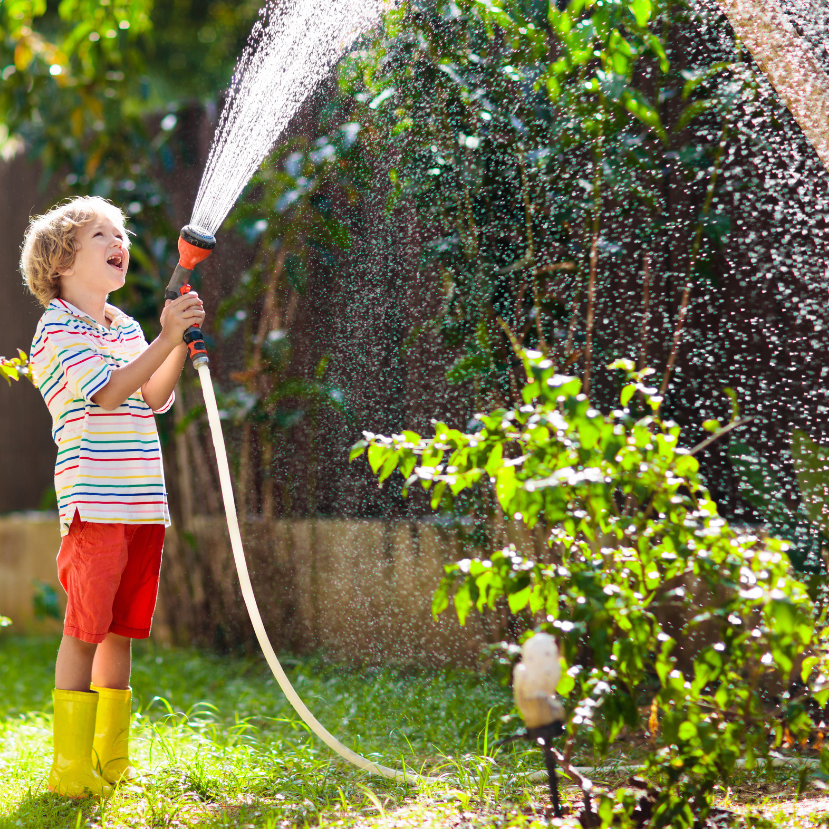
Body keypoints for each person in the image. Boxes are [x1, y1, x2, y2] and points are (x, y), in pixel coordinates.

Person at [20, 196, 205, 797]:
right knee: (84, 630)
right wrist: (166, 335)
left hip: (141, 502)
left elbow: (151, 395)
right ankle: (70, 770)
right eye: (102, 233)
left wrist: (175, 342)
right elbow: (106, 392)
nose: (117, 240)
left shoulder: (124, 327)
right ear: (61, 263)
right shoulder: (57, 326)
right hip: (95, 504)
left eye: (119, 232)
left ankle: (111, 761)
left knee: (120, 631)